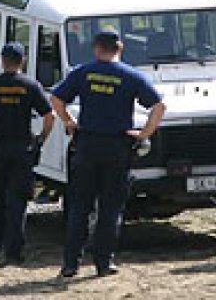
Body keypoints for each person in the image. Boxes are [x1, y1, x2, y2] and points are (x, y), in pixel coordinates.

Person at [52, 30, 166, 278]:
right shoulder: (131, 76)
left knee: (80, 207)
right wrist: (144, 134)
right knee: (110, 208)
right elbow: (159, 106)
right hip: (117, 147)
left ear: (96, 48)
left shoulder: (83, 72)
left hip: (87, 146)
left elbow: (56, 98)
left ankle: (71, 263)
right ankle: (104, 263)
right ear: (120, 48)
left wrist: (70, 122)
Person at [0, 42, 54, 267]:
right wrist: (41, 138)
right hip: (22, 152)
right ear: (23, 60)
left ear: (2, 60)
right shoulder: (30, 86)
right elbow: (49, 115)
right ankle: (14, 253)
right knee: (18, 203)